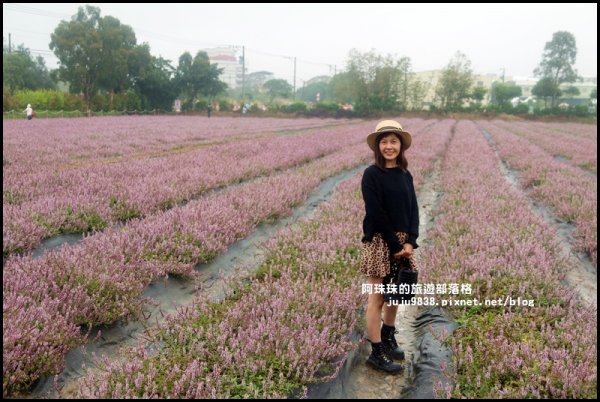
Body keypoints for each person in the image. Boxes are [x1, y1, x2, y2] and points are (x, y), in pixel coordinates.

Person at [360, 119, 419, 373]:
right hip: (381, 242)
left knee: (396, 294)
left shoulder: (406, 174)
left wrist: (411, 241)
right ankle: (375, 352)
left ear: (401, 145)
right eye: (384, 141)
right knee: (377, 298)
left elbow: (413, 209)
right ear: (377, 146)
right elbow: (376, 213)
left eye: (393, 141)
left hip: (402, 244)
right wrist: (396, 244)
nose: (389, 146)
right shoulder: (372, 174)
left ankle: (388, 335)